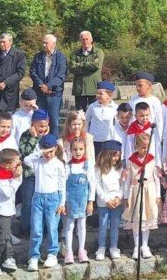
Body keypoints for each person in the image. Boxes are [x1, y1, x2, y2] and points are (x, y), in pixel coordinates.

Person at [122, 132, 160, 259]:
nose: (145, 149)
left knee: (146, 220)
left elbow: (156, 178)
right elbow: (127, 181)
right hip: (135, 192)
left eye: (147, 146)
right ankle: (136, 246)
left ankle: (145, 246)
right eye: (142, 147)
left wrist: (158, 195)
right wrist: (126, 196)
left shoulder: (152, 160)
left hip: (149, 192)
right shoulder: (131, 161)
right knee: (137, 221)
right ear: (136, 146)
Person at [0, 148, 24, 276]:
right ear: (8, 165)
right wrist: (15, 179)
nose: (20, 163)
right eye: (17, 161)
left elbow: (17, 185)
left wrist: (17, 177)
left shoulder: (10, 173)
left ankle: (8, 258)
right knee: (1, 238)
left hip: (8, 210)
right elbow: (7, 194)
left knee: (7, 236)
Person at [17, 109, 50, 237]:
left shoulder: (48, 137)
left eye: (45, 126)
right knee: (28, 201)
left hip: (43, 175)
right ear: (33, 124)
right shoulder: (26, 135)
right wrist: (34, 137)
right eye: (40, 126)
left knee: (43, 202)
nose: (43, 129)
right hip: (29, 175)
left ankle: (43, 227)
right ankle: (25, 227)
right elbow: (25, 152)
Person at [62, 137, 95, 265]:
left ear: (85, 150)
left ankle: (82, 250)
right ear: (70, 151)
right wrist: (63, 201)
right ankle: (69, 251)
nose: (78, 152)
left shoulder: (88, 165)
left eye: (81, 149)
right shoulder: (68, 166)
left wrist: (91, 201)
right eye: (75, 149)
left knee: (82, 225)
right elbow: (63, 185)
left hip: (83, 200)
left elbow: (92, 184)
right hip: (71, 201)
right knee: (69, 226)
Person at [0, 33, 27, 124]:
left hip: (9, 95)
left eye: (4, 42)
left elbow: (20, 72)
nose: (1, 44)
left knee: (7, 124)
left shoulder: (19, 54)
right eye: (0, 42)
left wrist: (6, 83)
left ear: (10, 42)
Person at [29, 34, 68, 133]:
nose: (43, 45)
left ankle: (53, 145)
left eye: (46, 43)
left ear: (53, 44)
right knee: (39, 119)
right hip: (39, 93)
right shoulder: (38, 56)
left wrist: (48, 86)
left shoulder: (61, 57)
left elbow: (61, 75)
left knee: (53, 122)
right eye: (43, 42)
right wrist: (41, 85)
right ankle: (38, 144)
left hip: (54, 95)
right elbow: (32, 72)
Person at [94, 139, 125, 261]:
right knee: (103, 226)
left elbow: (123, 184)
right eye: (114, 156)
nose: (116, 159)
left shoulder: (120, 168)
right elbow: (97, 185)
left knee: (115, 226)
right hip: (104, 202)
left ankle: (114, 247)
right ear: (106, 155)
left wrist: (119, 197)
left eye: (118, 156)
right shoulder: (98, 168)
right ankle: (101, 248)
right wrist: (106, 199)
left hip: (116, 202)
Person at [69, 31, 104, 112]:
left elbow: (96, 66)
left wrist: (80, 64)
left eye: (87, 39)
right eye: (83, 39)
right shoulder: (75, 53)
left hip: (94, 89)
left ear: (91, 39)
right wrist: (89, 66)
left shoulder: (98, 52)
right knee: (80, 115)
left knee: (95, 114)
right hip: (79, 90)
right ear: (80, 40)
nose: (85, 41)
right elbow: (72, 68)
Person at [87, 81, 118, 157]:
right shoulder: (92, 106)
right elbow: (86, 120)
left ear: (109, 95)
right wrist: (86, 134)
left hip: (107, 140)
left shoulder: (115, 107)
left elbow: (117, 124)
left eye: (101, 93)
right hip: (94, 140)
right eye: (97, 93)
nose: (98, 95)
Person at [129, 72, 164, 136]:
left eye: (140, 85)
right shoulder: (133, 100)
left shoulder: (155, 101)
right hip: (134, 135)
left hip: (150, 136)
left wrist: (159, 140)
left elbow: (159, 121)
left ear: (149, 86)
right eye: (136, 85)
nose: (137, 88)